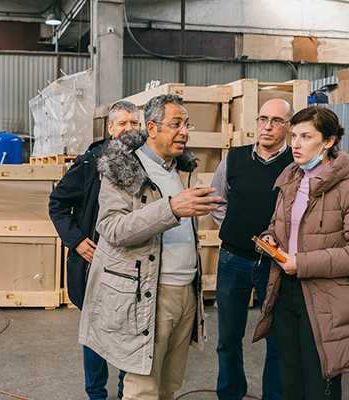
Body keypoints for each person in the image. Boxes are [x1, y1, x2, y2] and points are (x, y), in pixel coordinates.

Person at [78, 94, 221, 400]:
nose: (184, 131)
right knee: (143, 388)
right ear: (152, 128)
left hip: (186, 292)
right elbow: (112, 228)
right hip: (150, 292)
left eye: (187, 124)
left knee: (169, 385)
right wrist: (171, 209)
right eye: (176, 124)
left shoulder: (182, 169)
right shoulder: (123, 169)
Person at [253, 106, 349, 400]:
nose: (295, 144)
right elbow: (278, 224)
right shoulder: (291, 176)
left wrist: (302, 263)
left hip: (323, 297)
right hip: (285, 290)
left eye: (306, 136)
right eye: (294, 135)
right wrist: (271, 238)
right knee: (291, 381)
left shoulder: (345, 186)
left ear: (329, 141)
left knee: (319, 385)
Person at [48, 100, 140, 400]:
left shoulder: (147, 162)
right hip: (96, 260)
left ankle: (128, 391)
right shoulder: (90, 163)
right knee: (96, 329)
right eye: (122, 123)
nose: (129, 129)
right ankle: (96, 394)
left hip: (134, 260)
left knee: (132, 328)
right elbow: (58, 203)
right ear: (110, 128)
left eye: (134, 123)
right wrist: (76, 240)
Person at [210, 98, 294, 400]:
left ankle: (274, 396)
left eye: (276, 121)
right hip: (233, 260)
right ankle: (230, 394)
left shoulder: (296, 164)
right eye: (262, 119)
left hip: (276, 265)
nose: (267, 126)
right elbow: (218, 201)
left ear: (289, 127)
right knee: (228, 339)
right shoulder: (234, 158)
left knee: (278, 341)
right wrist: (236, 228)